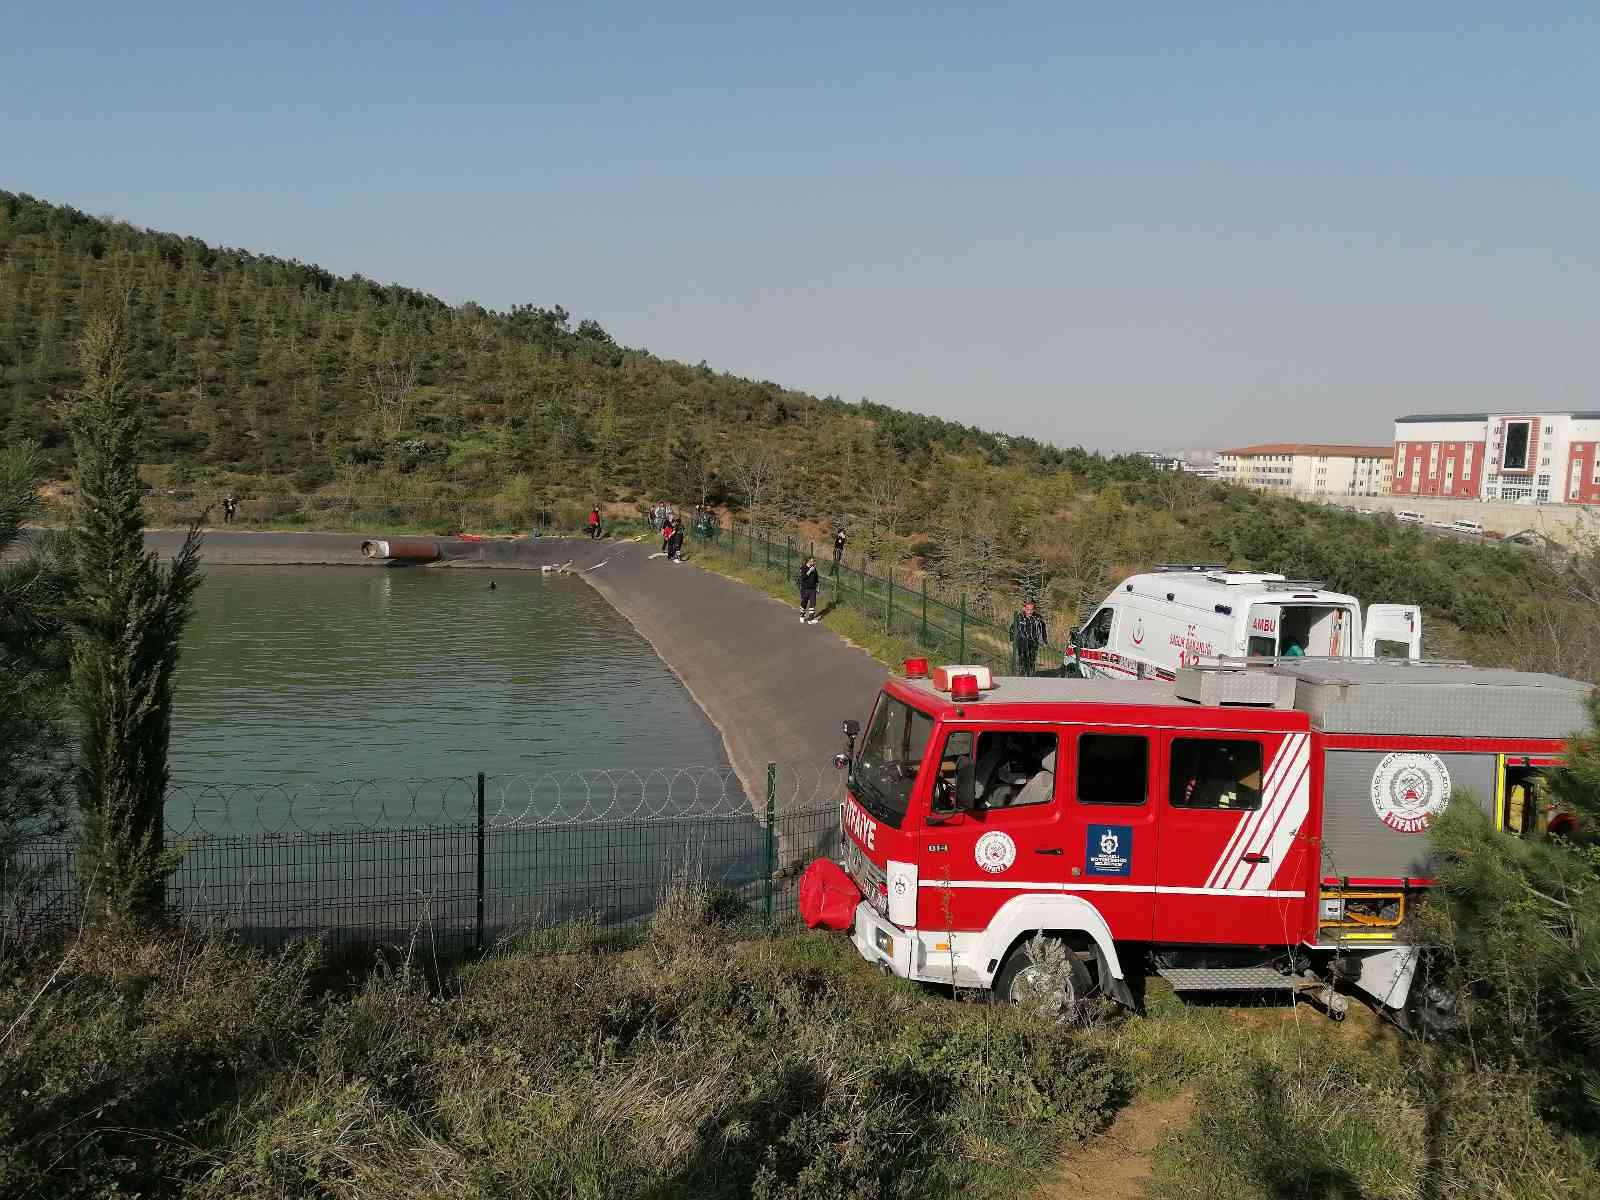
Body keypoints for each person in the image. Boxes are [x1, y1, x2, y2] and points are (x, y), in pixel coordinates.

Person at [1009, 598, 1048, 677]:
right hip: (1022, 641)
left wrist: (1044, 640)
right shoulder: (1020, 617)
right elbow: (1012, 628)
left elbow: (1043, 629)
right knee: (1023, 657)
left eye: (1031, 609)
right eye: (1028, 609)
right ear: (1024, 609)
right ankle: (1022, 672)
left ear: (1034, 609)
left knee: (1032, 659)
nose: (1029, 611)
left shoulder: (1037, 618)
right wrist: (1012, 638)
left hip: (1033, 641)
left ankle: (1031, 673)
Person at [798, 555, 820, 623]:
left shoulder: (814, 569)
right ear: (809, 561)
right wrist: (810, 571)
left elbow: (817, 580)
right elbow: (803, 577)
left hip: (813, 589)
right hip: (805, 589)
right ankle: (802, 615)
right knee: (804, 602)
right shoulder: (803, 568)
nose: (814, 562)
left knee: (813, 603)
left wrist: (818, 587)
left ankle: (811, 618)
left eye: (814, 561)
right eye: (813, 561)